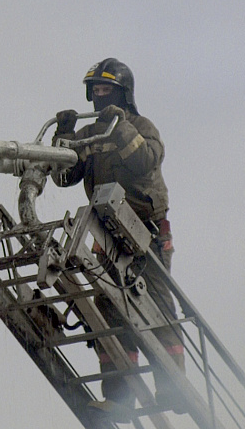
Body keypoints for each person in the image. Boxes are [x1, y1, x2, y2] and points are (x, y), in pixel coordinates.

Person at [51, 58, 185, 420]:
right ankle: (119, 399)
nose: (97, 95)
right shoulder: (90, 133)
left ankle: (174, 387)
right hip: (108, 236)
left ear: (123, 93)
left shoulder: (141, 126)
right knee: (109, 314)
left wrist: (120, 127)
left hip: (147, 234)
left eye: (105, 89)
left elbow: (145, 162)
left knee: (155, 308)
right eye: (94, 90)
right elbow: (64, 178)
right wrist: (63, 137)